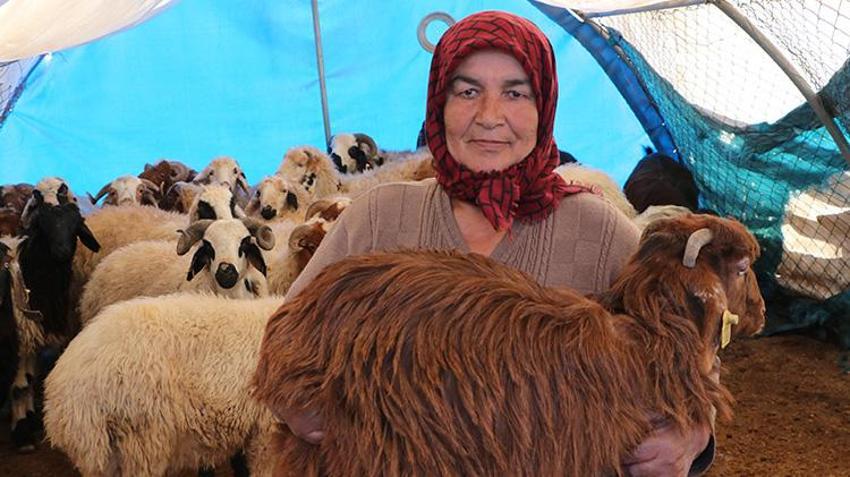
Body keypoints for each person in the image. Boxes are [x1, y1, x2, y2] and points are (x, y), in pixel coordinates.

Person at [266, 10, 714, 476]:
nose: (489, 116)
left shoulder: (600, 233)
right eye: (467, 91)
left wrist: (691, 432)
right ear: (439, 104)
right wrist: (299, 404)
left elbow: (684, 363)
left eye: (515, 93)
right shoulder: (379, 218)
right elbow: (285, 347)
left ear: (545, 107)